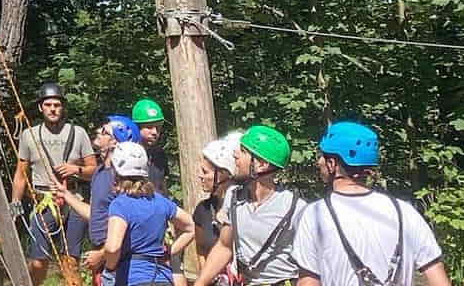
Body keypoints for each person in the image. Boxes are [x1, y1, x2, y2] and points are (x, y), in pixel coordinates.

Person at [291, 120, 449, 286]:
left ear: (332, 164)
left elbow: (308, 281)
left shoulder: (315, 214)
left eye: (323, 156)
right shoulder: (404, 211)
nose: (318, 162)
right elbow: (438, 278)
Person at [191, 126, 305, 286]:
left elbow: (313, 261)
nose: (235, 154)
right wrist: (200, 283)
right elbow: (224, 247)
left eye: (243, 151)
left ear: (262, 164)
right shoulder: (234, 197)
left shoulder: (295, 207)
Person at [12, 82, 97, 286]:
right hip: (44, 202)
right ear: (41, 107)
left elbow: (94, 169)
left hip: (74, 201)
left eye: (57, 105)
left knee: (71, 262)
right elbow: (21, 173)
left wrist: (76, 170)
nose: (52, 109)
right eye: (48, 104)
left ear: (63, 107)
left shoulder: (78, 133)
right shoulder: (29, 135)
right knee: (39, 261)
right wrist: (14, 203)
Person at [102, 141, 196, 285]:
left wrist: (109, 269)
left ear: (116, 171)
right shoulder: (160, 201)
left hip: (132, 279)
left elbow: (113, 247)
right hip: (162, 278)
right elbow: (191, 226)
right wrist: (172, 252)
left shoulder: (120, 205)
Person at [60, 114, 140, 279]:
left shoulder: (122, 178)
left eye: (104, 132)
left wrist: (102, 254)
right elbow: (95, 213)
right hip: (103, 256)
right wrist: (65, 195)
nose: (98, 131)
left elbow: (132, 223)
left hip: (119, 257)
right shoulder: (100, 172)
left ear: (115, 142)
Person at [192, 133, 240, 265]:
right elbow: (201, 250)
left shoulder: (243, 208)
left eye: (205, 172)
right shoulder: (203, 210)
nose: (200, 176)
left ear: (223, 174)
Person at [132, 99, 170, 192]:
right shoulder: (128, 156)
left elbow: (163, 189)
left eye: (158, 127)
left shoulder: (159, 155)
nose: (155, 132)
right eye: (149, 127)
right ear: (136, 127)